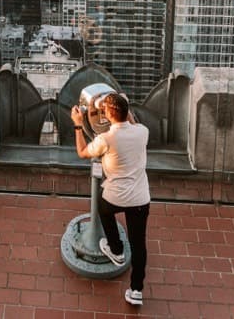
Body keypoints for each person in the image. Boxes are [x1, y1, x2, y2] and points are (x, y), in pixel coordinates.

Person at [71, 92, 150, 307]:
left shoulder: (105, 139)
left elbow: (82, 152)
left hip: (115, 197)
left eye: (104, 110)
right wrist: (122, 104)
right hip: (141, 199)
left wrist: (78, 124)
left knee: (102, 209)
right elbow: (131, 123)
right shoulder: (143, 132)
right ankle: (136, 290)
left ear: (108, 114)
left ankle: (116, 250)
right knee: (139, 244)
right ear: (127, 112)